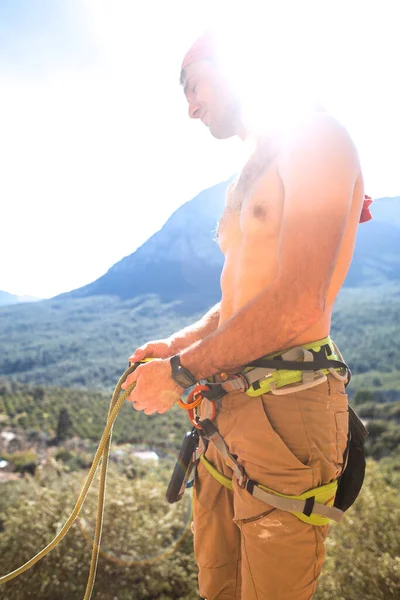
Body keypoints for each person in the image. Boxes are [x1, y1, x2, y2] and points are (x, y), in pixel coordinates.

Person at [122, 32, 372, 600]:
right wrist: (177, 343)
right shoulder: (251, 172)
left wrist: (182, 372)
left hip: (285, 415)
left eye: (192, 85)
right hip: (225, 415)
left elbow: (299, 303)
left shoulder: (317, 138)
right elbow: (243, 301)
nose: (190, 107)